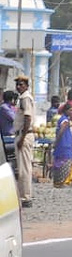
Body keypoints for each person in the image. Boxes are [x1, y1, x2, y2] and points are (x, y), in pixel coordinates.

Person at [14, 76, 34, 208]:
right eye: (17, 85)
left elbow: (27, 118)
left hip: (24, 135)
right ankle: (23, 195)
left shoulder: (25, 98)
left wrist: (22, 138)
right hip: (21, 134)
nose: (18, 87)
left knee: (24, 168)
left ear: (26, 86)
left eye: (21, 84)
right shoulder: (22, 98)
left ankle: (25, 197)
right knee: (22, 167)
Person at [51, 103, 72, 187]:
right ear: (65, 111)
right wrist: (56, 141)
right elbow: (61, 131)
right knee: (64, 163)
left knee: (61, 163)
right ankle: (62, 181)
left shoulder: (64, 119)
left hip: (64, 144)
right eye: (70, 110)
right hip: (64, 144)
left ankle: (59, 181)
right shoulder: (65, 120)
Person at [0, 90, 17, 164]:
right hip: (7, 137)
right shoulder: (4, 108)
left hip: (11, 136)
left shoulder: (10, 107)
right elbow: (14, 118)